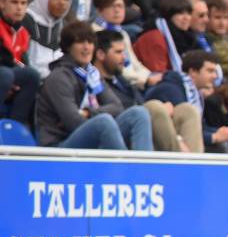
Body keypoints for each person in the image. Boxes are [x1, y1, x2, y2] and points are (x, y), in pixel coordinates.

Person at [34, 22, 153, 150]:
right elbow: (75, 122)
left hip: (88, 135)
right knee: (104, 122)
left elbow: (117, 107)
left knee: (138, 113)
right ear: (68, 47)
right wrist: (96, 117)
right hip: (60, 145)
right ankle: (123, 169)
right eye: (80, 42)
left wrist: (88, 112)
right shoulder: (59, 77)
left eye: (90, 42)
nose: (87, 47)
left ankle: (142, 169)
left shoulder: (91, 73)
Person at [0, 0, 40, 125]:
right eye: (14, 2)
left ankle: (18, 125)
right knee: (5, 74)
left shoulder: (23, 32)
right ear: (2, 3)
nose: (19, 7)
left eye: (23, 3)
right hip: (4, 74)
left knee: (32, 75)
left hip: (10, 75)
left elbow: (23, 62)